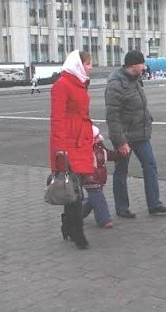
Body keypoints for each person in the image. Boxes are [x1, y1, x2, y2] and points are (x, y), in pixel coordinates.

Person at [105, 50, 166, 218]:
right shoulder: (116, 85)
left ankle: (154, 204)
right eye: (142, 64)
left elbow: (139, 104)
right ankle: (122, 208)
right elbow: (112, 117)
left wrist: (148, 117)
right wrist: (121, 142)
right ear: (134, 65)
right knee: (121, 171)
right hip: (125, 136)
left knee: (150, 166)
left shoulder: (136, 79)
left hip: (141, 133)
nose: (144, 67)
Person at [50, 50, 93, 249]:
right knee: (75, 191)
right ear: (77, 64)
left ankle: (67, 225)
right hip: (68, 144)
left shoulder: (80, 83)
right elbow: (57, 118)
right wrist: (59, 148)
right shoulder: (62, 85)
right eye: (87, 63)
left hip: (81, 140)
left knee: (73, 189)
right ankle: (78, 233)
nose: (90, 67)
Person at [82, 125, 123, 229]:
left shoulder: (100, 148)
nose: (99, 139)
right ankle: (104, 220)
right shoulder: (84, 151)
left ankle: (78, 213)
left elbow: (108, 155)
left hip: (99, 178)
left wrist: (120, 154)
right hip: (89, 178)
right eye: (96, 138)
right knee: (99, 199)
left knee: (93, 199)